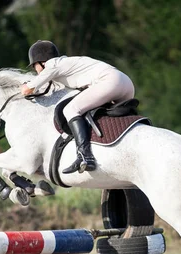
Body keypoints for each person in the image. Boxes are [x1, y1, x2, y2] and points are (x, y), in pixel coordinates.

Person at [20, 40, 135, 174]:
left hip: (109, 81)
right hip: (126, 83)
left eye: (35, 66)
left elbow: (27, 90)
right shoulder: (66, 64)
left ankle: (85, 156)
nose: (35, 70)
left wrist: (23, 87)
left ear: (42, 62)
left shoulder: (52, 65)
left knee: (70, 110)